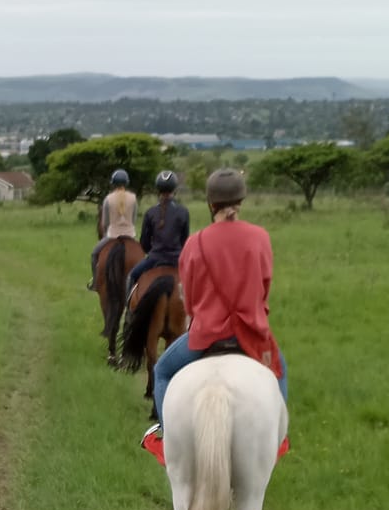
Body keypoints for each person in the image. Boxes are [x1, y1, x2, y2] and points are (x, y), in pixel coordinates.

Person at [142, 167, 285, 447]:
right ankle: (278, 441)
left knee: (161, 371)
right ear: (241, 201)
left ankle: (167, 438)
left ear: (210, 204)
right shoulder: (260, 237)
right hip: (251, 334)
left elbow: (191, 301)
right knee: (281, 371)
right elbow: (264, 289)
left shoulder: (195, 242)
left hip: (205, 335)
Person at [127, 169, 192, 290]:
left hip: (155, 258)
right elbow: (185, 242)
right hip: (177, 259)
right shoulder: (183, 212)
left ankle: (128, 309)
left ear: (158, 190)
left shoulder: (150, 213)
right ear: (174, 189)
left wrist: (154, 251)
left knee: (131, 276)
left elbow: (144, 243)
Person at [88, 167, 139, 284]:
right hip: (130, 236)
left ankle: (95, 282)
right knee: (142, 258)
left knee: (95, 255)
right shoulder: (133, 198)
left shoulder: (108, 199)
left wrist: (107, 232)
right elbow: (133, 219)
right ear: (126, 182)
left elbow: (105, 222)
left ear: (113, 184)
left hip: (112, 236)